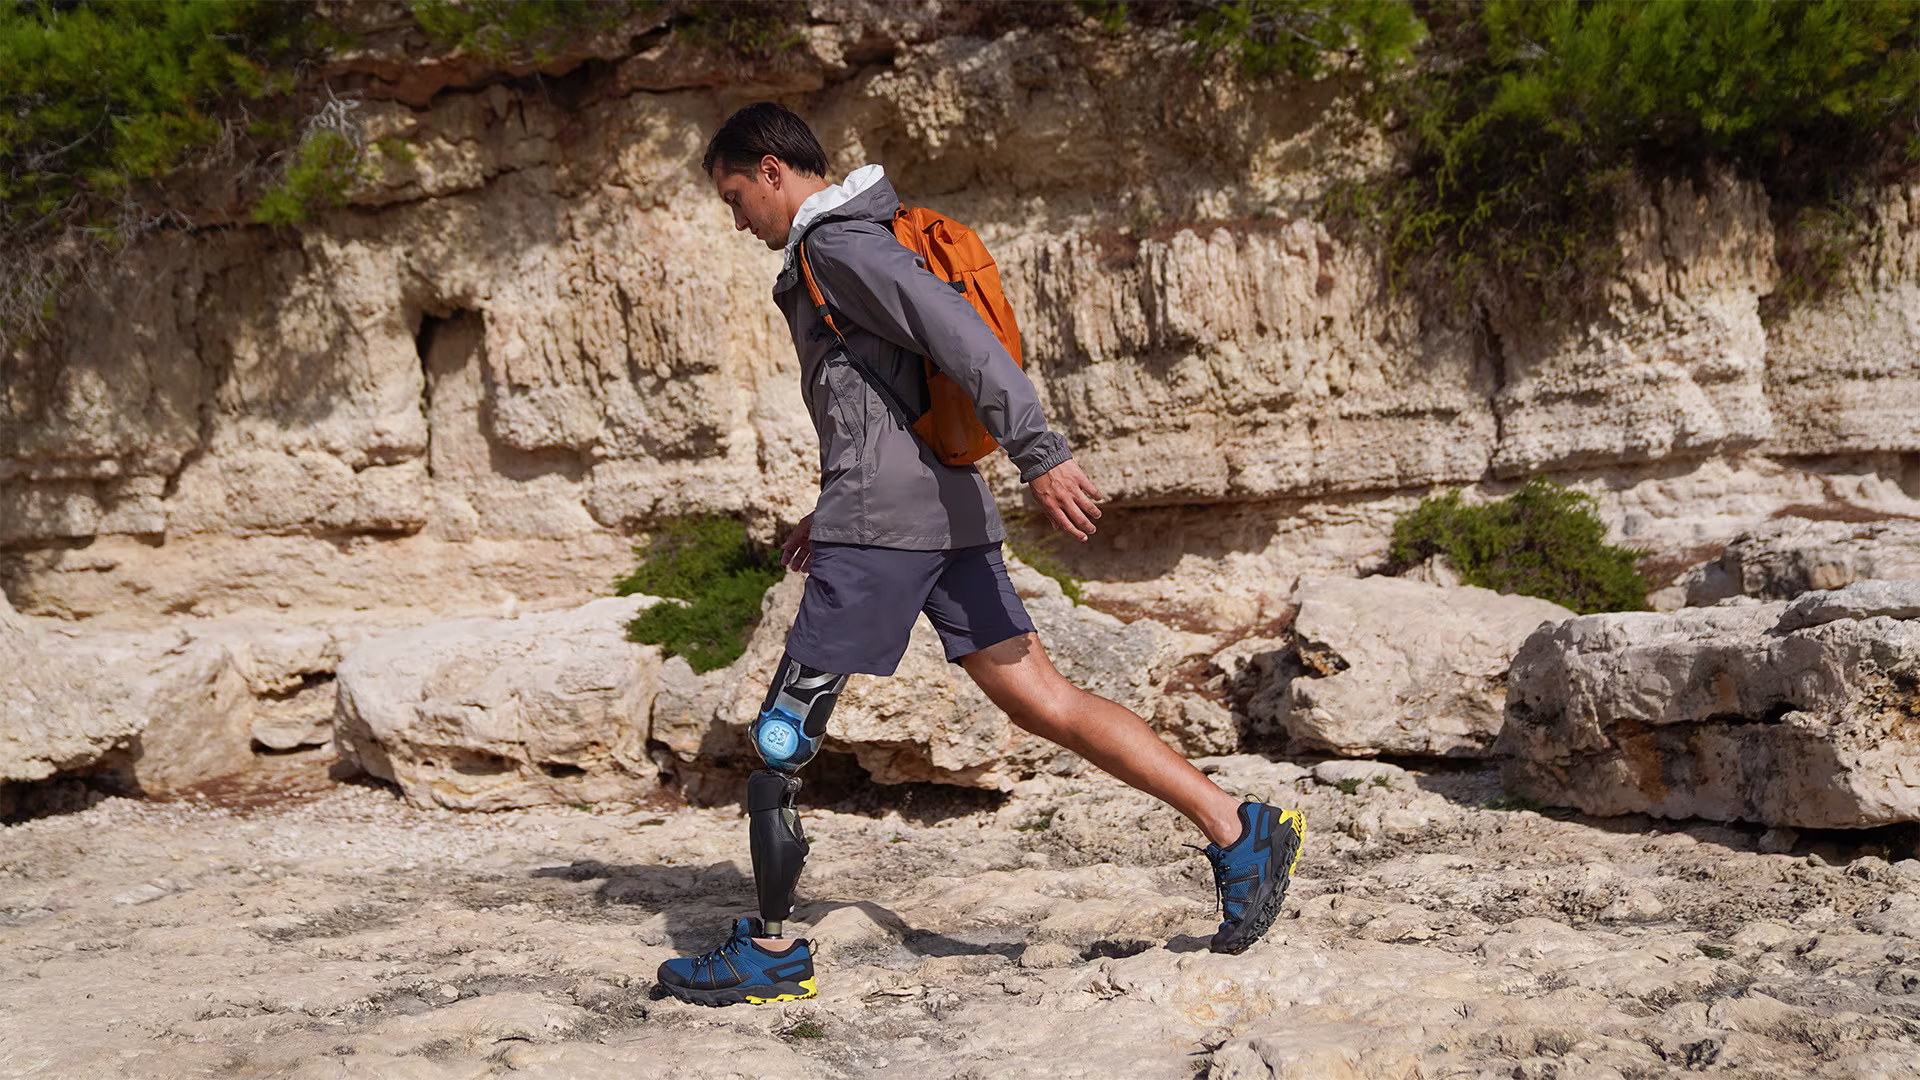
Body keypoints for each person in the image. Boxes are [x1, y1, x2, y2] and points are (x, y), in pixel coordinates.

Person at [655, 103, 1306, 1008]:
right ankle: (1239, 828)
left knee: (777, 742)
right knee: (1045, 697)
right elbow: (879, 403)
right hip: (938, 513)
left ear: (772, 170)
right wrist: (824, 503)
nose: (737, 220)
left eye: (735, 197)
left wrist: (1041, 452)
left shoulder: (837, 247)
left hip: (884, 530)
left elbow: (960, 335)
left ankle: (768, 951)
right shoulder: (859, 238)